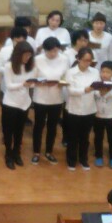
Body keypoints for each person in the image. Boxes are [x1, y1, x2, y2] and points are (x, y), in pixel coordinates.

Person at [31, 37, 67, 165]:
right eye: (50, 51)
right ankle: (36, 152)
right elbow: (31, 79)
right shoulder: (37, 59)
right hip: (40, 97)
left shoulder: (64, 59)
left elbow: (66, 76)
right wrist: (41, 82)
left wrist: (62, 82)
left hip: (56, 97)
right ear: (44, 50)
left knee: (52, 126)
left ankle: (49, 151)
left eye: (55, 51)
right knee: (39, 126)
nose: (53, 53)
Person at [1, 42, 35, 170]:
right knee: (8, 131)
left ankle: (17, 153)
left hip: (24, 102)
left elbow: (31, 84)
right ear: (18, 54)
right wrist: (23, 84)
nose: (27, 58)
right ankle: (8, 154)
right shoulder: (9, 66)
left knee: (19, 131)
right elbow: (9, 86)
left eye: (29, 55)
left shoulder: (29, 66)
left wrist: (34, 83)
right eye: (25, 55)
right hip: (10, 103)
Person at [65, 48, 99, 172]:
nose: (87, 63)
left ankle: (83, 159)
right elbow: (70, 91)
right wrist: (85, 90)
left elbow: (97, 89)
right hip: (74, 109)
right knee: (73, 137)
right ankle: (71, 160)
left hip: (89, 109)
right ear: (78, 59)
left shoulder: (95, 72)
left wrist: (101, 91)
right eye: (85, 60)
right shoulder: (71, 72)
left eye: (89, 60)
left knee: (85, 137)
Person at [93, 61, 112, 169]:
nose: (105, 74)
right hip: (97, 116)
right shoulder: (95, 84)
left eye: (108, 72)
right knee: (98, 137)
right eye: (103, 71)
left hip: (111, 116)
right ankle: (98, 156)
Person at [0, 25, 29, 94]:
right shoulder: (4, 50)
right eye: (18, 38)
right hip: (6, 87)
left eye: (23, 39)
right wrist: (10, 70)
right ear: (12, 39)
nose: (20, 40)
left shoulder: (28, 51)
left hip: (23, 87)